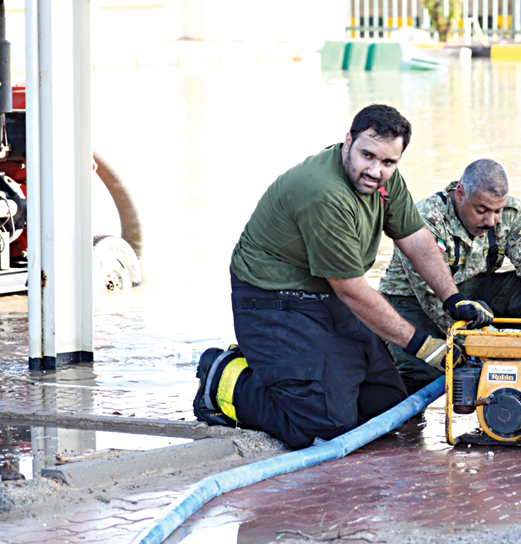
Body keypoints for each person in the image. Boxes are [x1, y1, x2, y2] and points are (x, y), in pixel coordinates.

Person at [193, 104, 494, 448]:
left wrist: (454, 299)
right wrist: (425, 348)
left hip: (324, 296)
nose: (375, 170)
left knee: (391, 410)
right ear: (348, 140)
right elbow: (351, 291)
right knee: (323, 427)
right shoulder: (324, 192)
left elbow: (415, 238)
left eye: (387, 162)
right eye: (367, 155)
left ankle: (284, 371)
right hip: (271, 302)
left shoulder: (385, 181)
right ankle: (222, 378)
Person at [378, 159, 521, 394]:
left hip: (474, 292)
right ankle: (408, 422)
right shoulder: (426, 219)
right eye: (481, 210)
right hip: (413, 302)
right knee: (425, 375)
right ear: (460, 194)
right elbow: (432, 297)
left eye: (497, 211)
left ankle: (520, 390)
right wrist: (492, 345)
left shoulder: (511, 213)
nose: (491, 221)